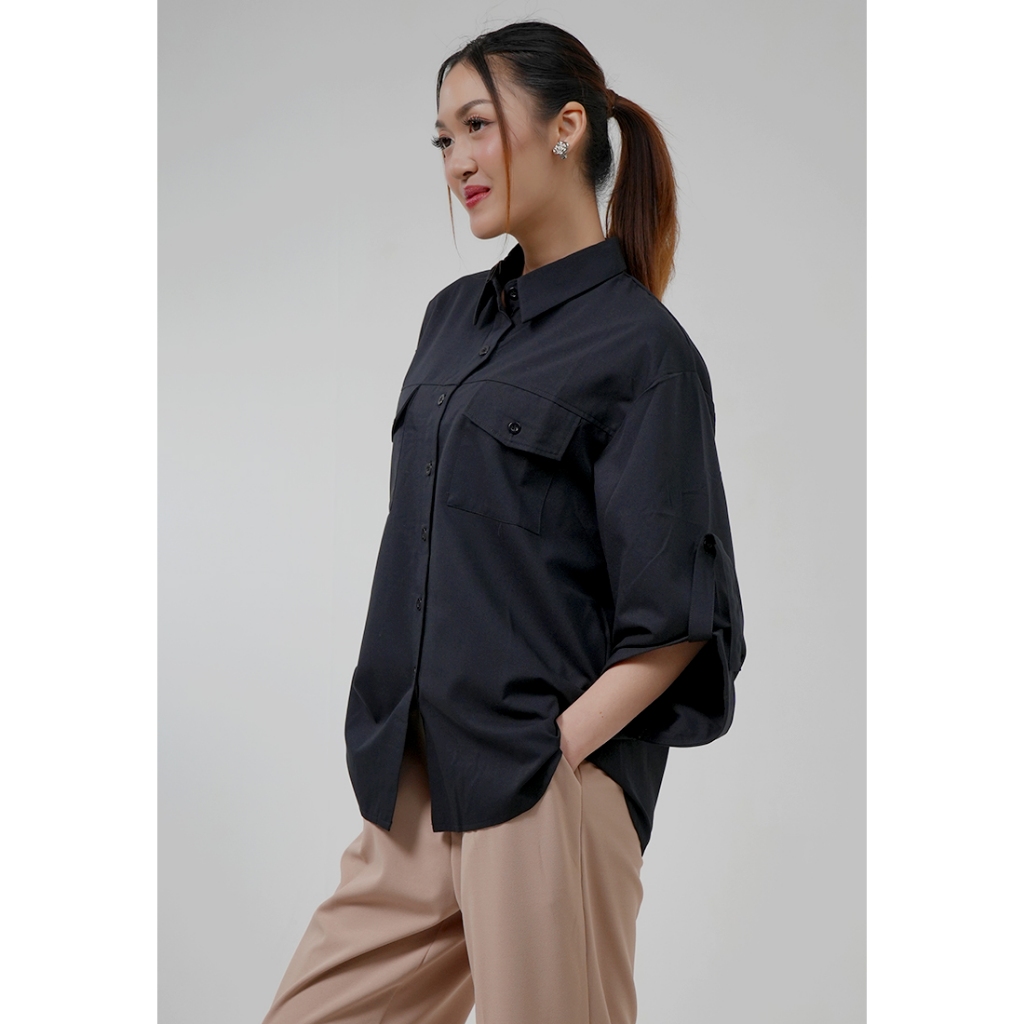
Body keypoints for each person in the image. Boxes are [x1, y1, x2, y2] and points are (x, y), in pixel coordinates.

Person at [262, 20, 745, 1024]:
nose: (456, 161)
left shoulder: (646, 352)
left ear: (567, 127)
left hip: (540, 787)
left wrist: (556, 751)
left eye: (477, 126)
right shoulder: (451, 319)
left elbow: (677, 618)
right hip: (415, 782)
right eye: (443, 139)